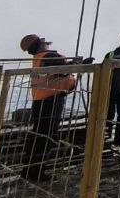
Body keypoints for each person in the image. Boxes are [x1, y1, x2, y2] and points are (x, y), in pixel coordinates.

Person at [19, 33, 77, 182]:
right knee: (46, 138)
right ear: (38, 44)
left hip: (41, 101)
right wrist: (79, 65)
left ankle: (29, 170)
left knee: (38, 136)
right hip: (51, 101)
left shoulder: (39, 58)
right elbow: (62, 69)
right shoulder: (48, 56)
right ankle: (37, 172)